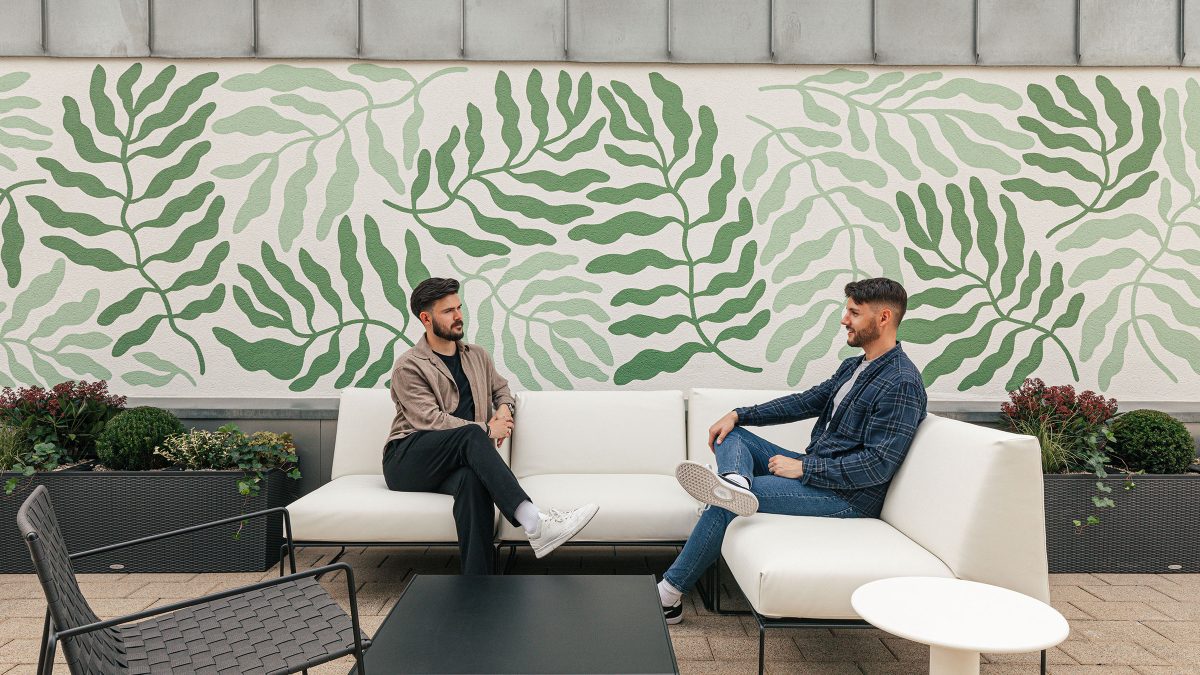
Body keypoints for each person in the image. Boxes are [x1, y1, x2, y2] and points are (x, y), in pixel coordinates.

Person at [658, 277, 928, 624]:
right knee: (733, 435)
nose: (844, 319)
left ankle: (669, 597)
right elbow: (806, 401)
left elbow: (877, 466)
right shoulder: (855, 366)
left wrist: (805, 470)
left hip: (846, 497)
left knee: (723, 502)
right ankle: (737, 480)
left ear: (884, 318)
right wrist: (741, 413)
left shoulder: (901, 382)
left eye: (854, 313)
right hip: (820, 471)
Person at [384, 277, 598, 574]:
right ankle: (535, 522)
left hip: (454, 460)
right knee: (472, 433)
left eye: (459, 308)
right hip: (408, 459)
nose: (458, 316)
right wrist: (487, 429)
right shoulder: (410, 365)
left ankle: (479, 584)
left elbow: (503, 390)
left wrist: (503, 412)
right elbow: (430, 420)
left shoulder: (477, 356)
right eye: (448, 311)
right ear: (426, 318)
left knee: (472, 482)